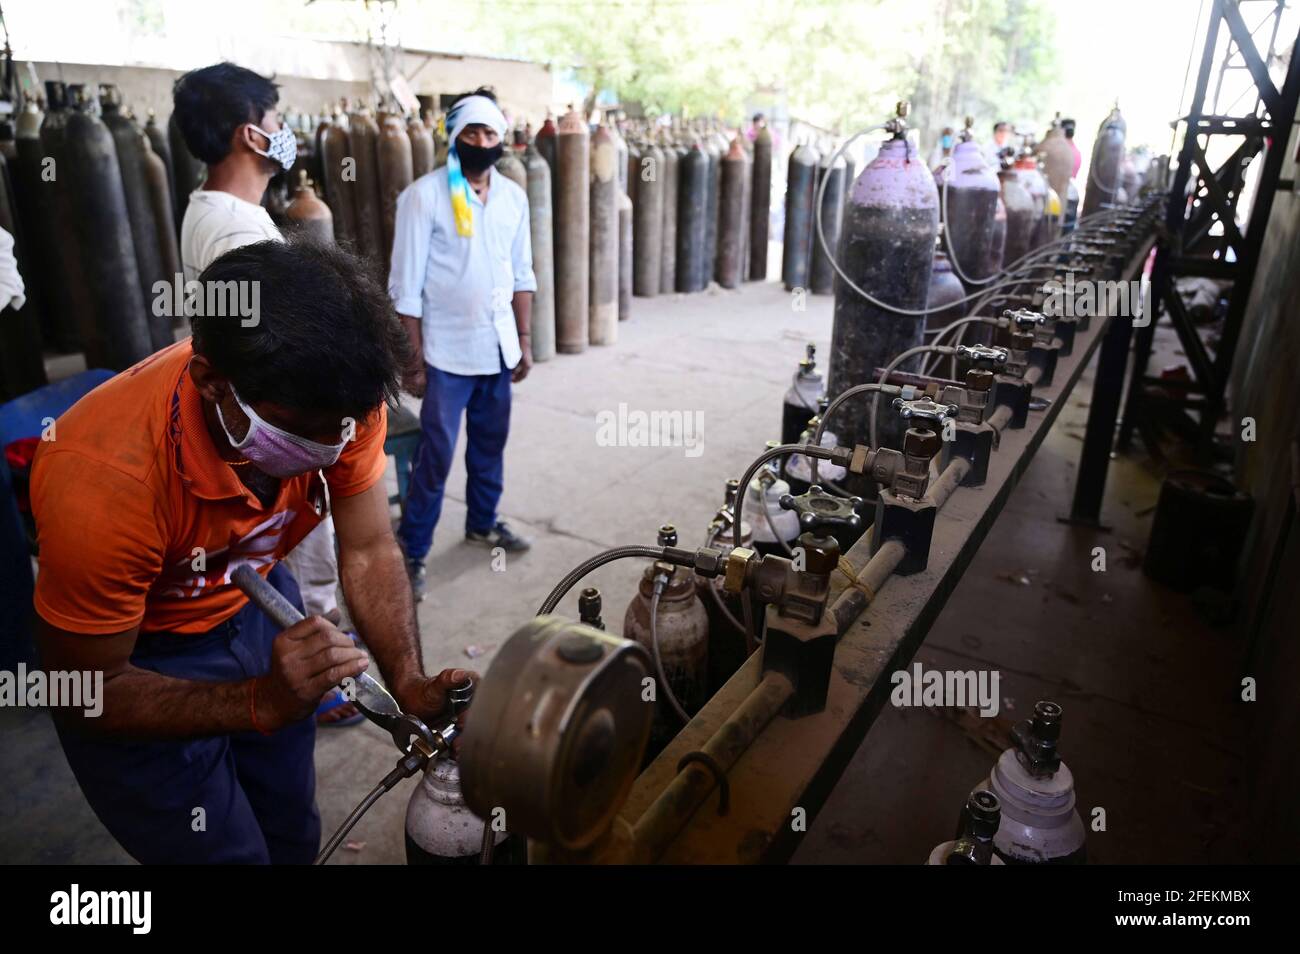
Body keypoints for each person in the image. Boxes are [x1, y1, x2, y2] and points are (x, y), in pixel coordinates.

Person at [31, 238, 473, 864]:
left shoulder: (341, 396)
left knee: (292, 832)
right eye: (306, 430)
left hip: (261, 608)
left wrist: (406, 680)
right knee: (225, 855)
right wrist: (258, 701)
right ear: (212, 382)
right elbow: (83, 688)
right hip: (139, 658)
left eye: (342, 428)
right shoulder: (104, 480)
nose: (330, 446)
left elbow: (371, 547)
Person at [172, 62, 353, 725]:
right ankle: (320, 677)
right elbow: (274, 356)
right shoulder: (235, 230)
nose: (285, 135)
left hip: (255, 417)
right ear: (252, 134)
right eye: (277, 124)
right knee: (304, 551)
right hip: (272, 424)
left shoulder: (220, 211)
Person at [389, 87, 536, 601]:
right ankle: (413, 549)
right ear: (454, 138)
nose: (481, 141)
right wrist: (413, 360)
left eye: (490, 132)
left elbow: (523, 275)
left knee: (490, 445)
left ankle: (482, 522)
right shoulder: (424, 197)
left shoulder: (513, 198)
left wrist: (524, 339)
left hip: (497, 349)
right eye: (471, 132)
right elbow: (404, 289)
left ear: (502, 140)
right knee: (436, 455)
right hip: (446, 356)